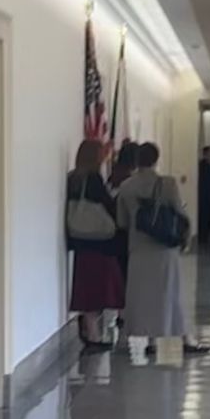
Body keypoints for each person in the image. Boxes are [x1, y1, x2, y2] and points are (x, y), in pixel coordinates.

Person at [118, 143, 206, 358]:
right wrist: (186, 238)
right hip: (164, 249)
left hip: (138, 248)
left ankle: (149, 341)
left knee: (142, 296)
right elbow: (179, 213)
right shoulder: (167, 184)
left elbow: (121, 221)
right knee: (169, 295)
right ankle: (184, 338)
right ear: (156, 159)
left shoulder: (126, 186)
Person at [66, 139, 123, 352]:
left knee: (86, 287)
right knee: (99, 289)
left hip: (80, 240)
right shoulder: (93, 179)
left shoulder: (72, 178)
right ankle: (93, 334)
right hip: (100, 241)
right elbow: (107, 204)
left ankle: (91, 330)